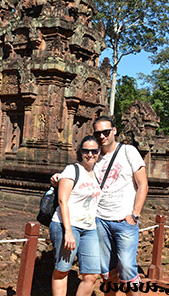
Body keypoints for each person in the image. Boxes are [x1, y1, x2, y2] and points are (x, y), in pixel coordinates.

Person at [92, 116, 148, 296]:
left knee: (127, 269)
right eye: (98, 133)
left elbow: (143, 184)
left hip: (124, 220)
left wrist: (135, 215)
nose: (102, 136)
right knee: (107, 271)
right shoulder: (94, 157)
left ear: (114, 131)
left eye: (106, 132)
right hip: (100, 220)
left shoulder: (128, 151)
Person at [50, 135, 102, 296]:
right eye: (86, 151)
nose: (90, 154)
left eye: (94, 151)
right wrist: (68, 232)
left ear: (99, 152)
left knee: (92, 275)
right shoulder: (72, 170)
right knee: (62, 270)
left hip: (89, 228)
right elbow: (62, 201)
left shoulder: (99, 173)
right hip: (66, 225)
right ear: (80, 152)